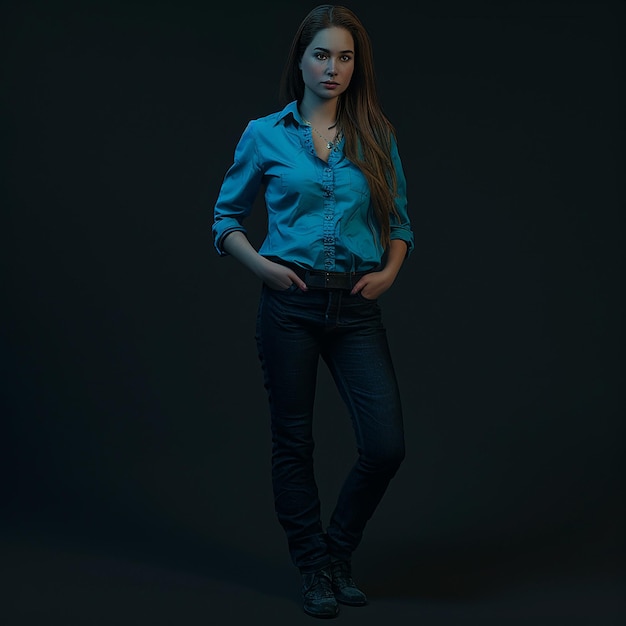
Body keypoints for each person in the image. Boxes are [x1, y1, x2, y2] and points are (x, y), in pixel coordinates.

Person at [212, 4, 414, 619]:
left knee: (385, 447)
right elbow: (225, 220)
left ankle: (337, 551)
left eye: (345, 57)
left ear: (358, 65)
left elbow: (399, 221)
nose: (334, 68)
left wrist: (389, 271)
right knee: (293, 442)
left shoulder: (376, 134)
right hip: (290, 306)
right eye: (322, 55)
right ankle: (313, 567)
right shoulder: (264, 134)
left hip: (354, 307)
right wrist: (265, 268)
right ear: (300, 61)